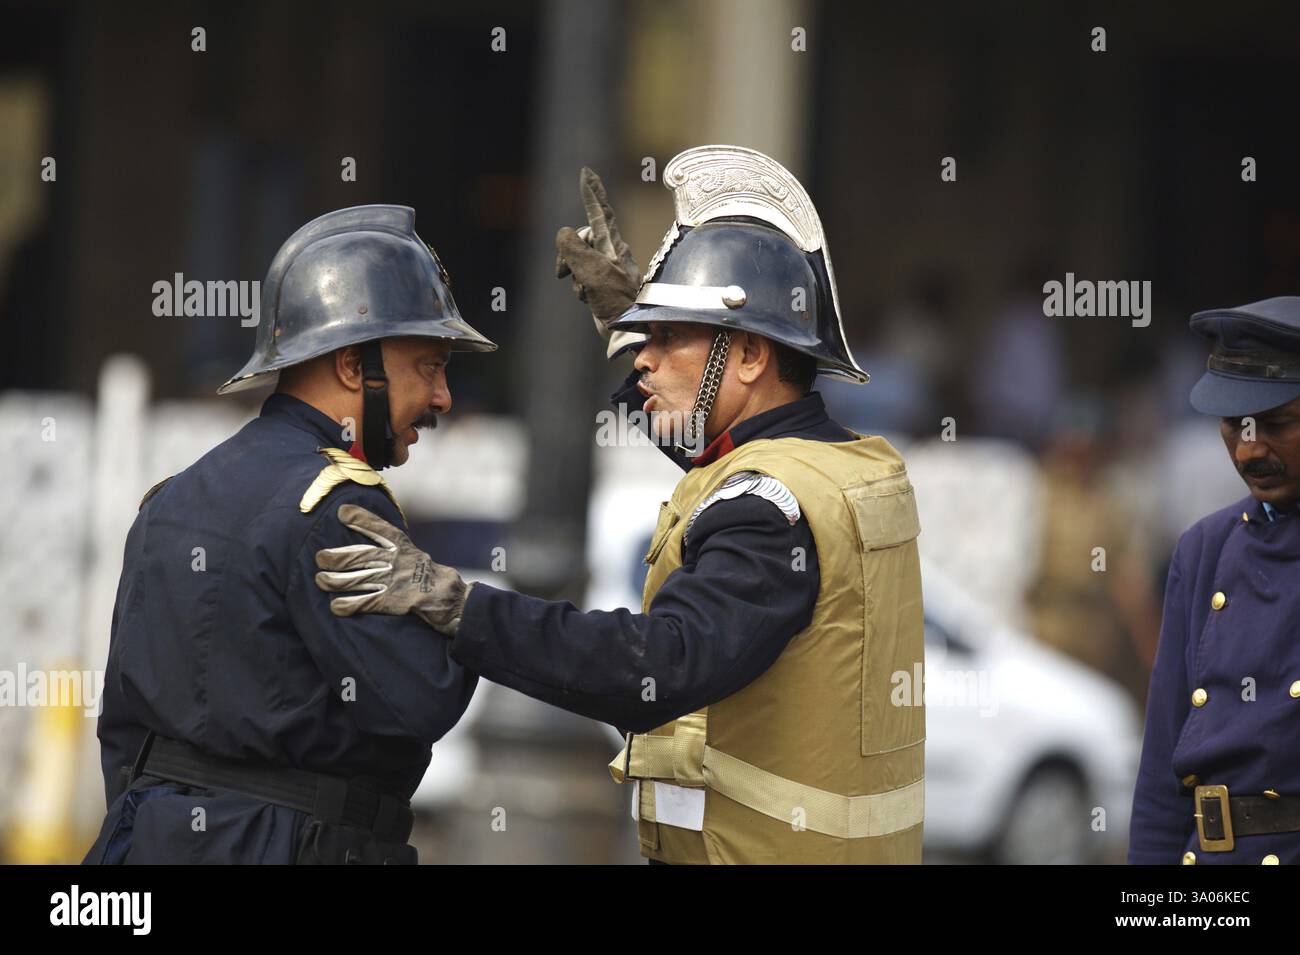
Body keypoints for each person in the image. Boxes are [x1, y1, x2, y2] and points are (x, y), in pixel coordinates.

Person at [314, 147, 927, 864]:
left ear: (754, 356)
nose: (644, 356)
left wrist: (461, 606)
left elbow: (656, 666)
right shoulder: (839, 466)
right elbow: (717, 455)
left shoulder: (769, 509)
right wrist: (633, 320)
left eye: (668, 338)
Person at [82, 204, 496, 864]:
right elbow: (422, 700)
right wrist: (468, 618)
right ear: (355, 367)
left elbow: (123, 730)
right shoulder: (337, 504)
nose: (443, 396)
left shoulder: (172, 497)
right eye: (429, 365)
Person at [1129, 296, 1300, 865]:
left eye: (1276, 424)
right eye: (1234, 426)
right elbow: (1161, 770)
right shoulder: (1203, 549)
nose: (1250, 449)